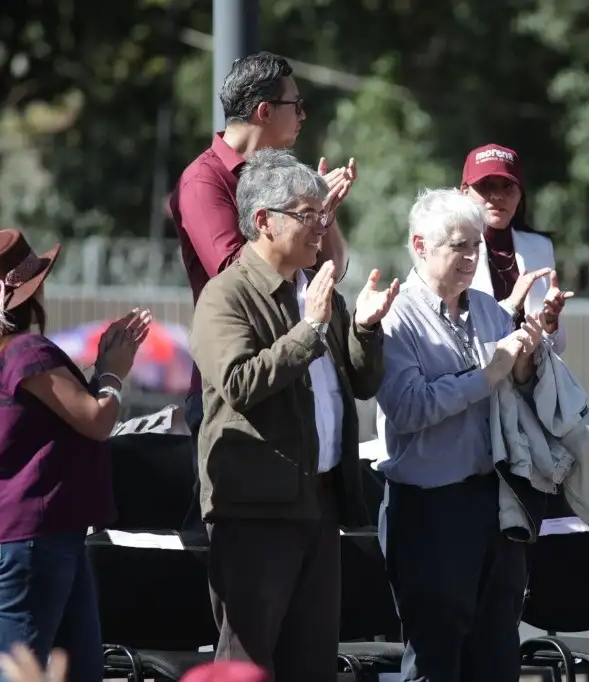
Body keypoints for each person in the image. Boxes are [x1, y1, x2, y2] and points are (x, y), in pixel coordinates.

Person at [189, 149, 396, 682]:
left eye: (324, 214)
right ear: (265, 221)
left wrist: (365, 329)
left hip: (319, 502)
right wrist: (308, 330)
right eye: (308, 215)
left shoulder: (316, 289)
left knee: (312, 662)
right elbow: (239, 383)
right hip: (255, 510)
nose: (322, 226)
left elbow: (363, 384)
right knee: (248, 664)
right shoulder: (227, 295)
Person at [0, 229, 150, 682]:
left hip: (38, 534)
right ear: (31, 293)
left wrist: (102, 369)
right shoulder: (27, 352)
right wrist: (113, 374)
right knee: (24, 672)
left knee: (75, 668)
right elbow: (95, 419)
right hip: (36, 537)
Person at [170, 51, 357, 522]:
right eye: (297, 104)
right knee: (247, 542)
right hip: (237, 382)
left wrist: (319, 214)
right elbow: (238, 271)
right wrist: (301, 215)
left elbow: (332, 269)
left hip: (299, 372)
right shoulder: (203, 180)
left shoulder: (286, 179)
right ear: (264, 111)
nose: (303, 116)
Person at [376, 188, 544, 682]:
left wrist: (527, 363)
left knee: (496, 655)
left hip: (494, 501)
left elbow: (516, 393)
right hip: (429, 509)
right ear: (420, 245)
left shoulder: (490, 310)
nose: (471, 257)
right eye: (458, 245)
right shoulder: (396, 315)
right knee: (435, 659)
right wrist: (487, 375)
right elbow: (408, 408)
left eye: (476, 245)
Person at [460, 143, 572, 353]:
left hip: (531, 371)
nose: (497, 196)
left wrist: (551, 322)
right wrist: (511, 305)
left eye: (507, 186)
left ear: (520, 194)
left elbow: (557, 348)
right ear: (464, 192)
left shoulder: (540, 247)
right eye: (485, 185)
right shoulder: (449, 250)